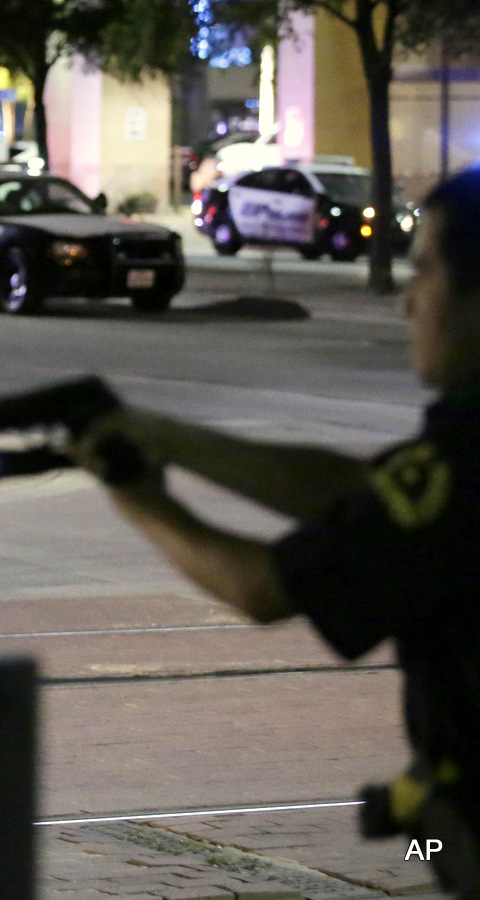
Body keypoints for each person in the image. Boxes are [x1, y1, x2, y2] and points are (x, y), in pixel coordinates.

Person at [69, 169, 480, 897]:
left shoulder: (465, 465)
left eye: (426, 271)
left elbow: (267, 587)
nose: (409, 303)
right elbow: (362, 497)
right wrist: (170, 438)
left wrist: (138, 500)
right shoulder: (455, 459)